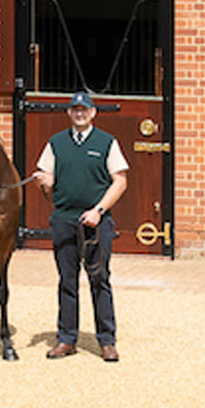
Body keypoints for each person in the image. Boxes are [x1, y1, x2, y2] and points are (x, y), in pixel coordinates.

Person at [40, 89, 130, 362]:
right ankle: (67, 339)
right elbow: (47, 181)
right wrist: (46, 183)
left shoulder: (107, 142)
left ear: (93, 113)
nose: (79, 113)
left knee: (99, 279)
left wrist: (99, 210)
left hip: (96, 221)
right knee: (67, 281)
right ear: (69, 113)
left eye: (84, 109)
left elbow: (121, 180)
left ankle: (107, 340)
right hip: (64, 220)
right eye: (75, 109)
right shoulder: (56, 143)